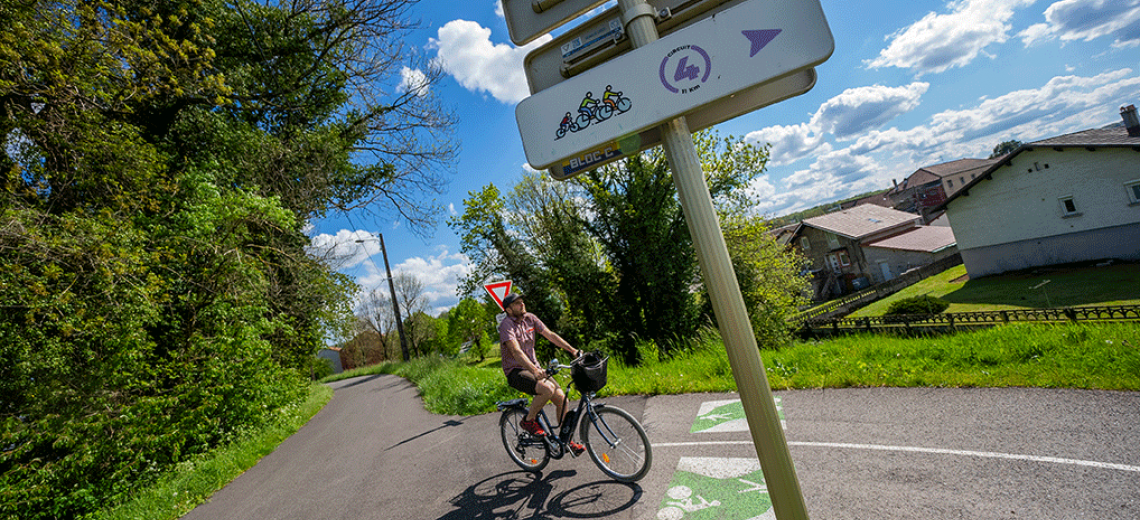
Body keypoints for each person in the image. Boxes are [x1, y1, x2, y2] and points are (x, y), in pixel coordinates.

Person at [498, 292, 584, 453]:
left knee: (562, 399)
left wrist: (573, 350)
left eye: (522, 301)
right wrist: (534, 370)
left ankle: (566, 442)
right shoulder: (506, 325)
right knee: (547, 389)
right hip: (516, 371)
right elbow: (516, 352)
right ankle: (528, 421)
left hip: (535, 368)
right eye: (517, 303)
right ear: (509, 310)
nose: (522, 304)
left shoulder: (530, 318)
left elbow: (550, 335)